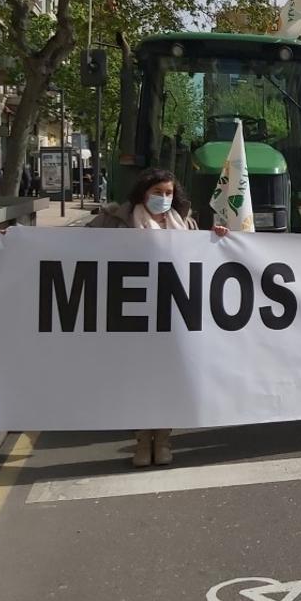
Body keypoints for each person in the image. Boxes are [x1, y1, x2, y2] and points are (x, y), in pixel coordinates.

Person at [88, 168, 229, 466]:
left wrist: (217, 238)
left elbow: (201, 258)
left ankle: (163, 439)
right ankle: (142, 441)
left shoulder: (186, 223)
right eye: (157, 192)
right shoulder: (114, 219)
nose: (163, 198)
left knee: (168, 378)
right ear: (143, 192)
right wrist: (20, 239)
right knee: (138, 379)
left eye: (168, 193)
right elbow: (67, 245)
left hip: (173, 314)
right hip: (131, 315)